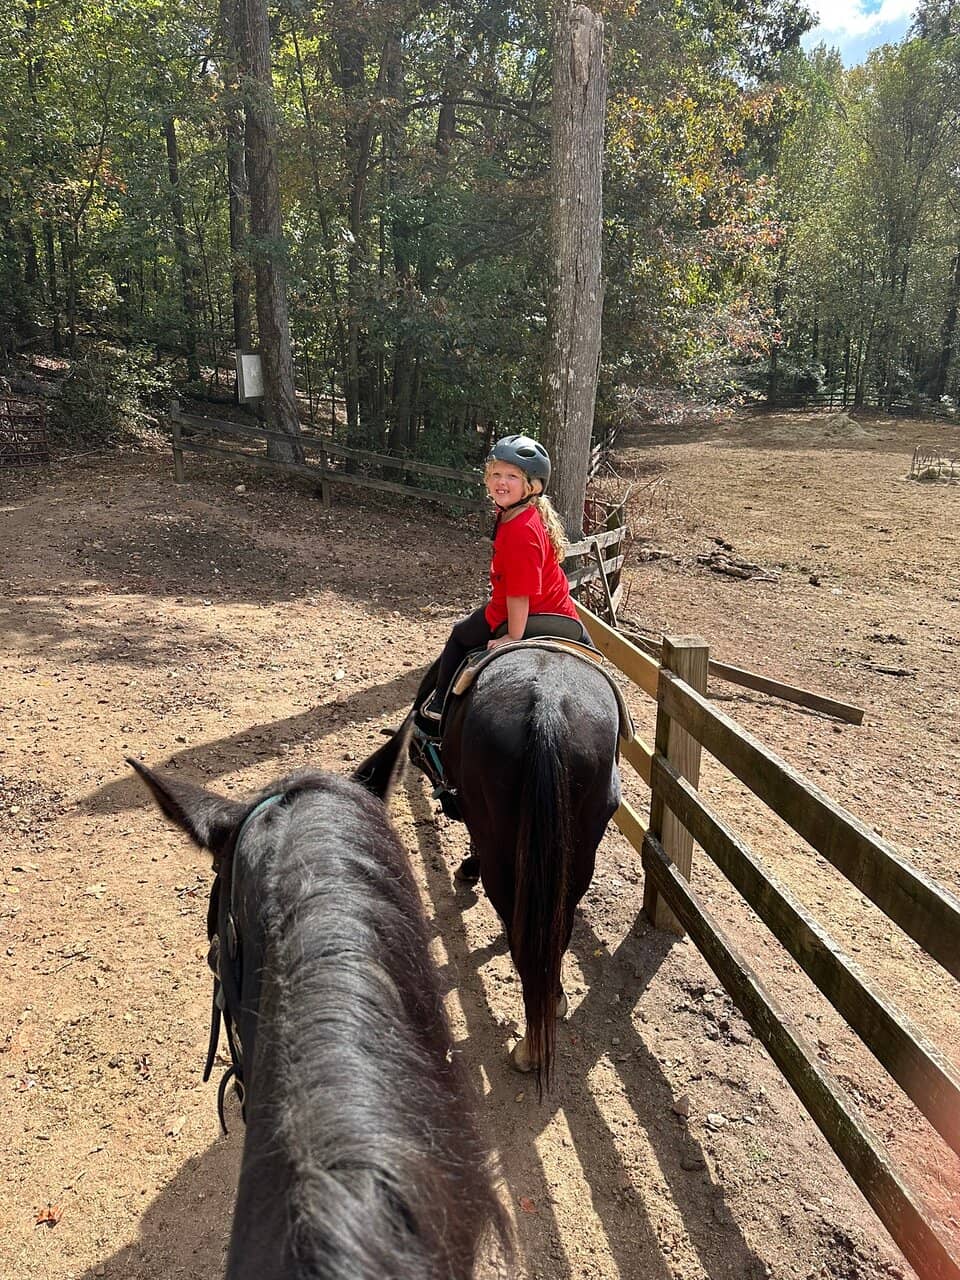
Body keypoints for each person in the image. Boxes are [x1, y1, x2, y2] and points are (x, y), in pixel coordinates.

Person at [418, 433, 588, 727]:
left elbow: (520, 593)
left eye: (512, 476)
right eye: (496, 474)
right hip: (558, 611)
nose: (501, 482)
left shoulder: (520, 529)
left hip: (526, 612)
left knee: (460, 636)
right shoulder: (519, 512)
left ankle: (438, 705)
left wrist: (513, 636)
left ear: (530, 486)